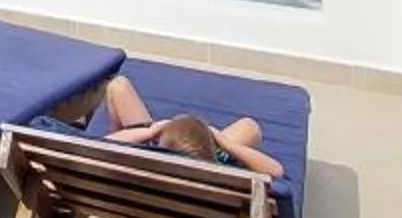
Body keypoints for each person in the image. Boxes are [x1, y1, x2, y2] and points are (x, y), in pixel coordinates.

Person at [101, 74, 283, 177]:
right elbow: (276, 171)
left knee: (118, 85)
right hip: (201, 182)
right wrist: (225, 143)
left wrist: (150, 131)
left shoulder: (149, 156)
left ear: (158, 143)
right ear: (213, 151)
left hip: (146, 179)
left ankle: (118, 157)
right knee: (249, 127)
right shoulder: (223, 171)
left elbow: (104, 143)